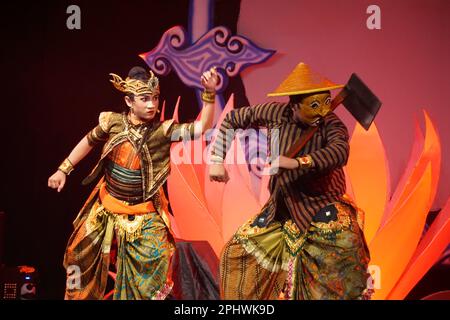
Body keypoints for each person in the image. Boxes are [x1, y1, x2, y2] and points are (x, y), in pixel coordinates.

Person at [48, 66, 218, 299]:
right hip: (105, 208)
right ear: (129, 101)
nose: (152, 105)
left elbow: (201, 128)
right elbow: (88, 141)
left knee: (152, 273)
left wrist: (209, 94)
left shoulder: (163, 131)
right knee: (79, 257)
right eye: (145, 99)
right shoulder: (113, 122)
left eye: (155, 98)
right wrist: (63, 169)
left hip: (143, 214)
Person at [209, 62, 372, 300]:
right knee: (236, 254)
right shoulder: (276, 113)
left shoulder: (331, 123)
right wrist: (216, 158)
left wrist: (296, 162)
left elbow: (339, 152)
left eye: (327, 102)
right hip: (282, 210)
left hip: (323, 208)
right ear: (294, 106)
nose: (323, 111)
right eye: (314, 106)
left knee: (343, 270)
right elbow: (234, 119)